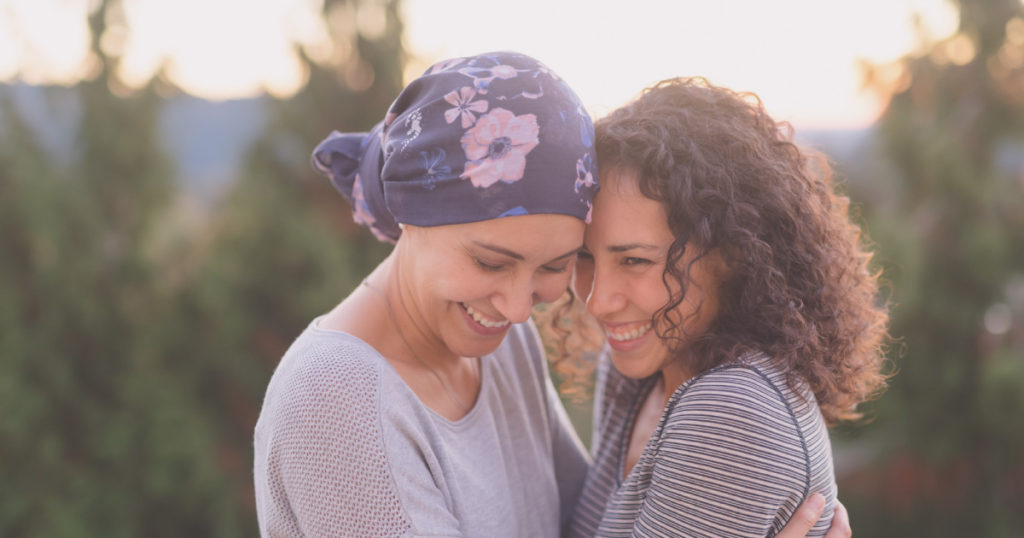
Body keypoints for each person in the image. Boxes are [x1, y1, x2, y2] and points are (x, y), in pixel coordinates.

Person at [253, 51, 850, 537]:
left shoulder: (497, 346)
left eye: (556, 265)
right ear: (411, 214)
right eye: (491, 261)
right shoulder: (334, 397)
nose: (518, 309)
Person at [565, 78, 888, 537]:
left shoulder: (731, 414)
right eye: (583, 257)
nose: (598, 302)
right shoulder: (635, 376)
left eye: (635, 261)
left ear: (734, 252)